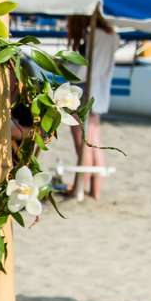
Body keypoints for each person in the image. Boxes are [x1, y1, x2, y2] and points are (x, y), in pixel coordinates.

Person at [61, 11, 116, 201]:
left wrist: (63, 65)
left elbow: (83, 70)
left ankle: (79, 187)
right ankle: (95, 190)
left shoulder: (93, 35)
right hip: (99, 92)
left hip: (84, 91)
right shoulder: (111, 34)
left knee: (82, 141)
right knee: (95, 141)